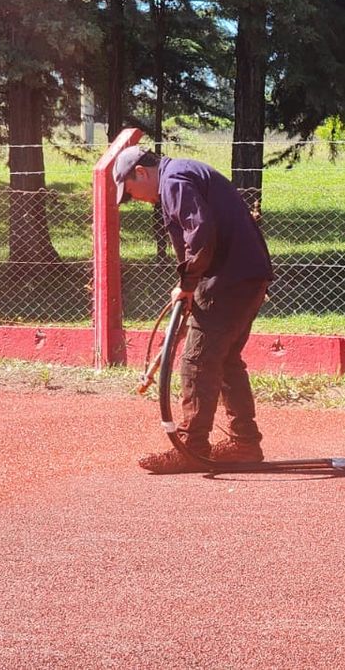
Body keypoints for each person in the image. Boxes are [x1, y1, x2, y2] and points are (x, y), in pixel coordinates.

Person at [115, 146, 276, 473]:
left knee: (197, 361)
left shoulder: (173, 180)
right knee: (225, 359)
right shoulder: (183, 173)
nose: (136, 199)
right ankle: (244, 443)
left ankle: (192, 447)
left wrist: (188, 283)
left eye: (130, 191)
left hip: (228, 280)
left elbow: (200, 232)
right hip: (246, 276)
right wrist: (192, 284)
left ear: (142, 172)